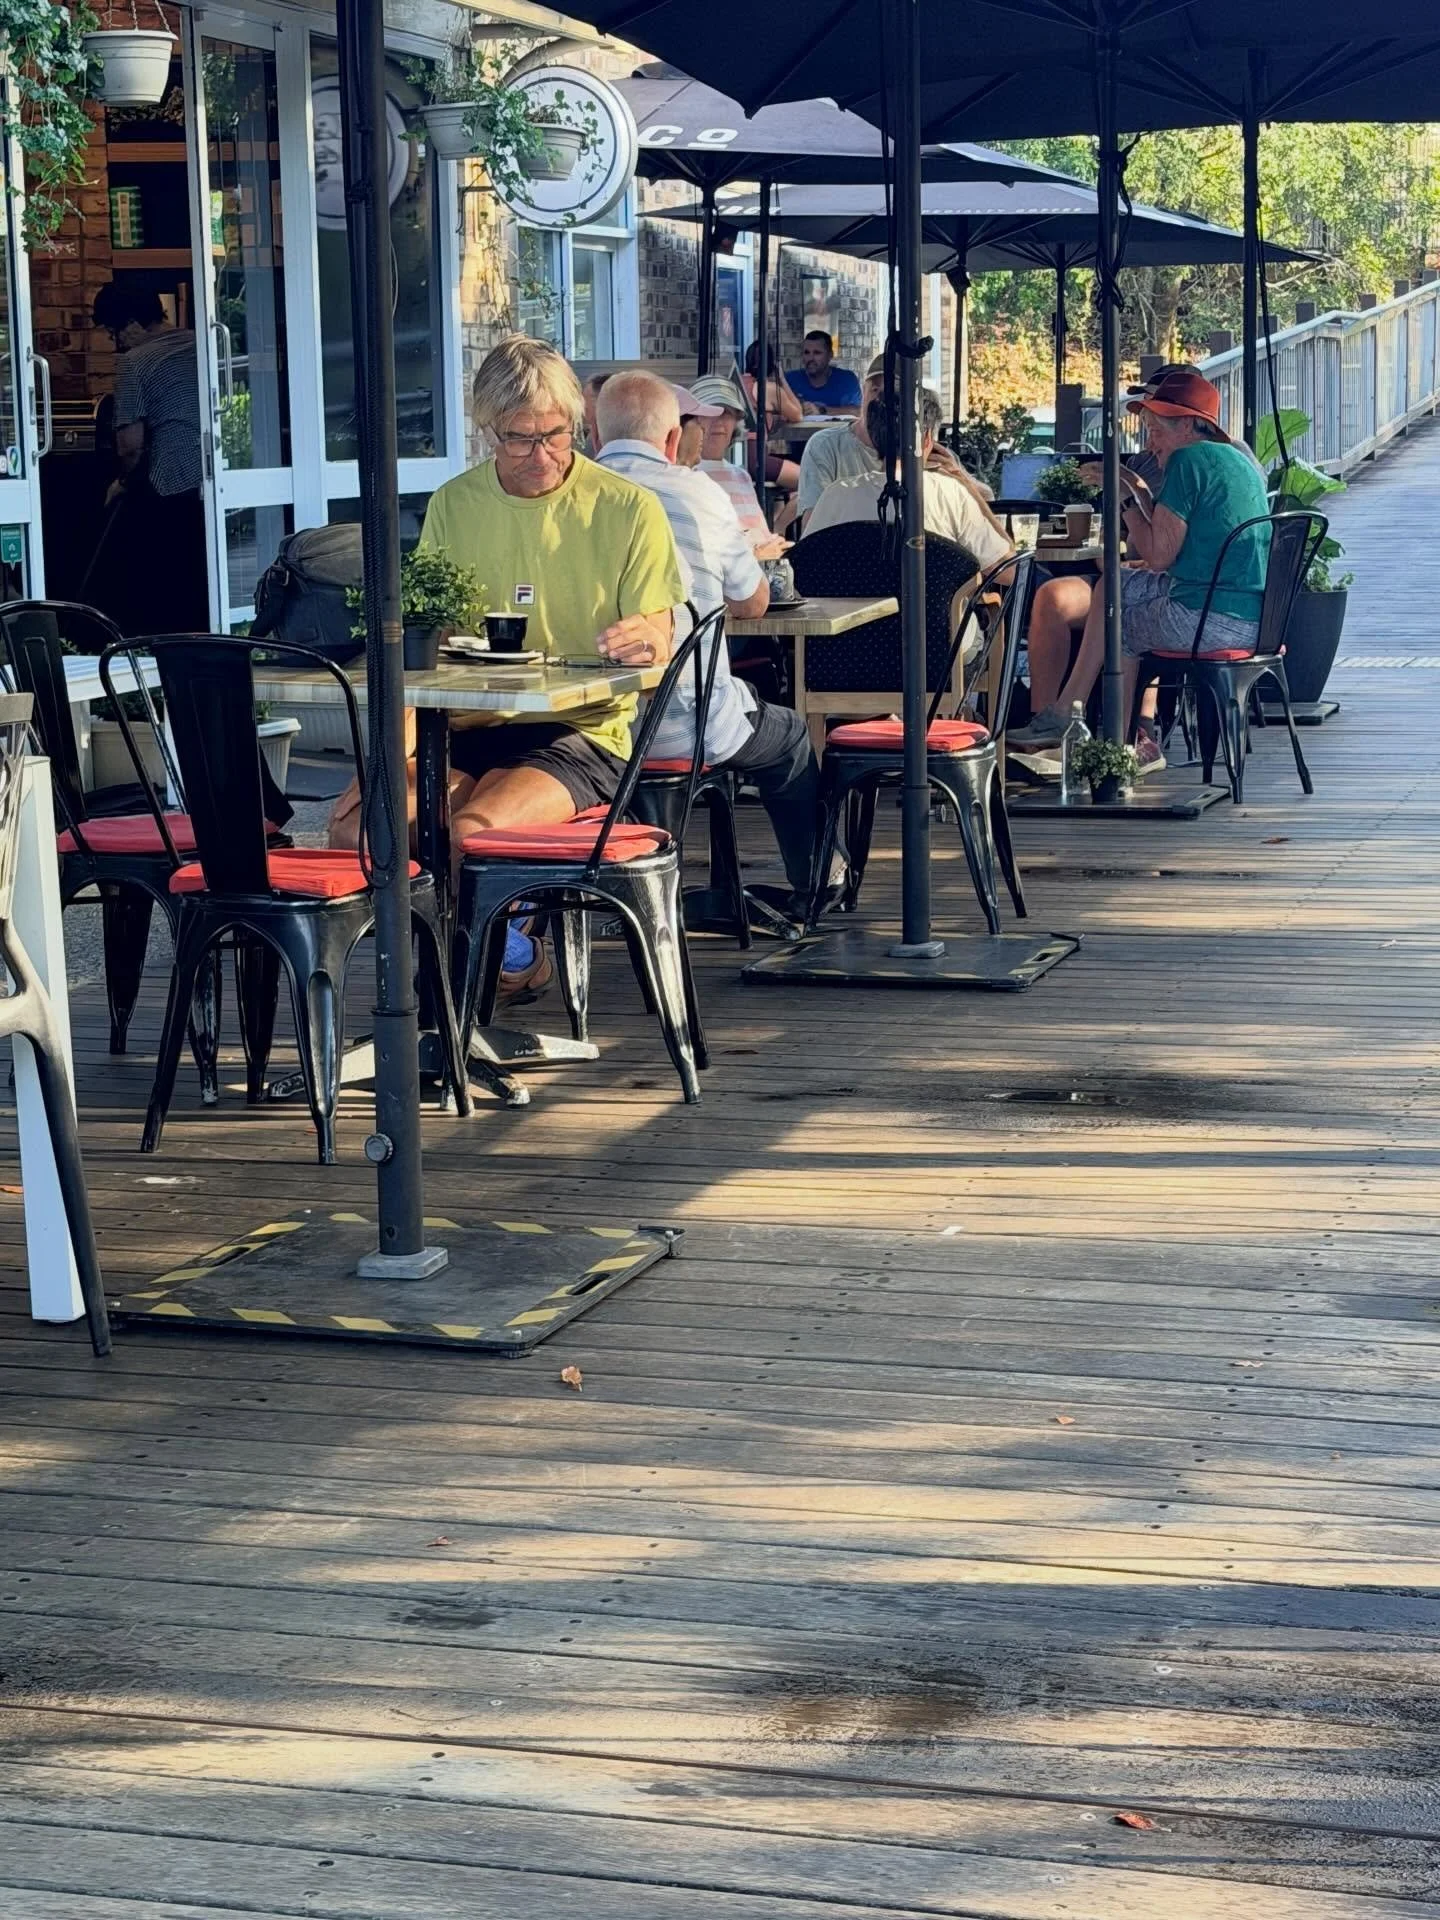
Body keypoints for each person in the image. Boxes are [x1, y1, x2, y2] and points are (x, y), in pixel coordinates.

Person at [328, 339, 685, 976]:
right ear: (488, 430)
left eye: (556, 434)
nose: (541, 454)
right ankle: (439, 970)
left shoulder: (628, 508)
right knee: (357, 832)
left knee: (472, 833)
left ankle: (503, 965)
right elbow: (425, 647)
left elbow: (659, 632)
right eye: (520, 439)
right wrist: (388, 756)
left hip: (579, 731)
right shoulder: (455, 504)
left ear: (577, 422)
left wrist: (650, 639)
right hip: (464, 726)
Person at [592, 371, 827, 913]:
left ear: (596, 435)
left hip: (592, 728)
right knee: (791, 735)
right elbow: (753, 603)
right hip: (684, 724)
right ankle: (815, 884)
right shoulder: (696, 490)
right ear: (673, 438)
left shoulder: (568, 496)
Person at [1010, 368, 1271, 762]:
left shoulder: (1187, 459)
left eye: (1155, 430)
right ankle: (1069, 713)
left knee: (1119, 625)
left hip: (1212, 620)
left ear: (1187, 424)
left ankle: (1120, 749)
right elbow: (1170, 538)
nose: (1150, 444)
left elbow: (1159, 556)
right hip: (1251, 616)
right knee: (1113, 585)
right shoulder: (1234, 458)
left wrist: (1123, 498)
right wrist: (1133, 486)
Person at [85, 283, 208, 635]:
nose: (116, 343)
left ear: (132, 324)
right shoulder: (202, 345)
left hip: (171, 482)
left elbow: (130, 446)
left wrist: (121, 483)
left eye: (114, 333)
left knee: (158, 576)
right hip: (212, 478)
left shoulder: (134, 363)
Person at [806, 388, 1014, 575]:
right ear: (927, 439)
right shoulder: (951, 494)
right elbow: (1008, 570)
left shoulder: (836, 495)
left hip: (857, 607)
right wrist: (967, 486)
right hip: (937, 607)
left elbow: (804, 563)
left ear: (875, 437)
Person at [796, 354, 994, 530]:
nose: (880, 400)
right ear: (863, 392)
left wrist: (959, 478)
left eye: (892, 392)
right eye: (875, 389)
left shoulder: (929, 451)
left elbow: (987, 504)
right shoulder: (826, 447)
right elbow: (812, 527)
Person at [688, 375, 789, 557]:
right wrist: (758, 554)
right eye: (710, 412)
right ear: (692, 420)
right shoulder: (685, 476)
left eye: (727, 413)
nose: (718, 421)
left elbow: (759, 533)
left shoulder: (740, 476)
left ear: (736, 421)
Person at [741, 340, 802, 496]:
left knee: (786, 489)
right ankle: (786, 513)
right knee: (808, 480)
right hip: (756, 460)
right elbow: (797, 414)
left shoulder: (739, 384)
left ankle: (780, 509)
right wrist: (782, 379)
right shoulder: (769, 389)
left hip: (738, 456)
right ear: (771, 364)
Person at [785, 330, 863, 415]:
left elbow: (858, 411)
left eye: (817, 353)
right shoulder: (789, 379)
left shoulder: (847, 379)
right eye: (806, 353)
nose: (810, 358)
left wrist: (821, 410)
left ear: (830, 355)